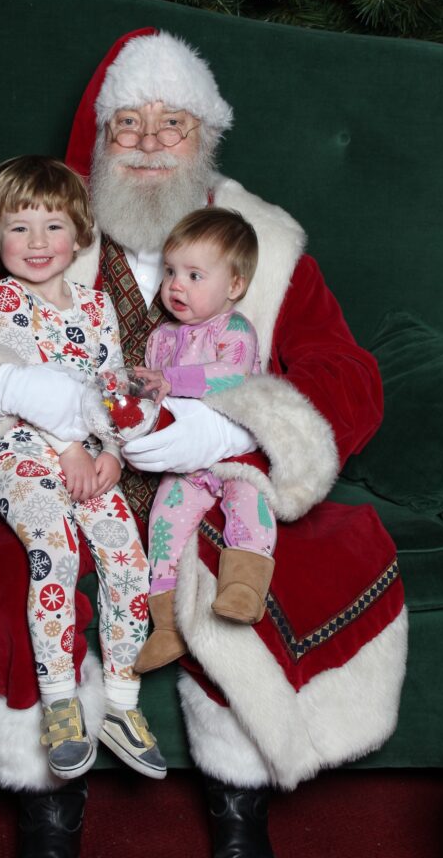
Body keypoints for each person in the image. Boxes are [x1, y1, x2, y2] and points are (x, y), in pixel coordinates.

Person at [0, 28, 406, 858]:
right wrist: (17, 388)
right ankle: (48, 819)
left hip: (203, 479)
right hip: (70, 473)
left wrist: (233, 424)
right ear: (98, 137)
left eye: (175, 124)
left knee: (260, 569)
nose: (151, 143)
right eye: (128, 123)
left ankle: (240, 816)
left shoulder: (258, 244)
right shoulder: (48, 234)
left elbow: (346, 372)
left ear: (206, 138)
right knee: (25, 569)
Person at [0, 154, 165, 781]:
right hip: (26, 458)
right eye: (19, 227)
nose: (37, 243)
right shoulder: (5, 296)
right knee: (54, 552)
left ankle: (122, 705)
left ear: (79, 234)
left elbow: (110, 388)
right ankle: (61, 704)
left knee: (129, 560)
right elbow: (31, 383)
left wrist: (110, 451)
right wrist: (70, 449)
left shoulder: (97, 306)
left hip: (90, 459)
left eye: (53, 226)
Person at [130, 206, 276, 677]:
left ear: (233, 286)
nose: (176, 285)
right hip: (186, 466)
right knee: (164, 521)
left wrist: (168, 380)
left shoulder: (234, 330)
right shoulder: (161, 337)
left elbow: (229, 376)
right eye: (171, 272)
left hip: (236, 454)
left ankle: (244, 588)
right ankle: (166, 622)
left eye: (195, 275)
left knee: (250, 504)